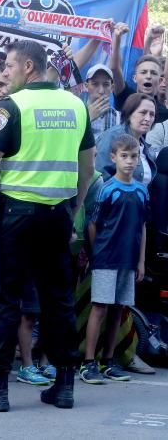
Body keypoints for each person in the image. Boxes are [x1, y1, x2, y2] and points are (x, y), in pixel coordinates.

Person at [0, 39, 94, 413]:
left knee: (3, 299)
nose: (5, 73)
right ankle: (64, 385)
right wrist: (74, 210)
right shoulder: (75, 104)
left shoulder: (11, 106)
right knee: (58, 299)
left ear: (29, 68)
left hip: (15, 216)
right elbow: (88, 168)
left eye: (9, 66)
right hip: (58, 216)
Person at [79, 133, 147, 385]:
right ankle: (88, 363)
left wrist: (140, 261)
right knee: (99, 308)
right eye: (124, 156)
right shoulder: (107, 189)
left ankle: (109, 360)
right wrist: (97, 253)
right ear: (113, 157)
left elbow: (142, 226)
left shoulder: (141, 191)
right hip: (107, 258)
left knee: (119, 310)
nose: (129, 161)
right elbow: (93, 223)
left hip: (128, 260)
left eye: (134, 156)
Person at [95, 93, 157, 185]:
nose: (148, 118)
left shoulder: (144, 146)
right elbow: (100, 175)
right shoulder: (112, 137)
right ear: (129, 114)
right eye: (143, 113)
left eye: (152, 114)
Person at [110, 24, 167, 122]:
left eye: (153, 73)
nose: (148, 76)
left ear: (160, 80)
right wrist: (117, 37)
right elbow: (115, 69)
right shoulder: (126, 96)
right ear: (135, 78)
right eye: (143, 72)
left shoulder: (164, 113)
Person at [82, 64, 119, 137]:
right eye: (95, 84)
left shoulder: (118, 117)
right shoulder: (77, 112)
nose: (101, 91)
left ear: (112, 88)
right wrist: (88, 118)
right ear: (86, 86)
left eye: (106, 84)